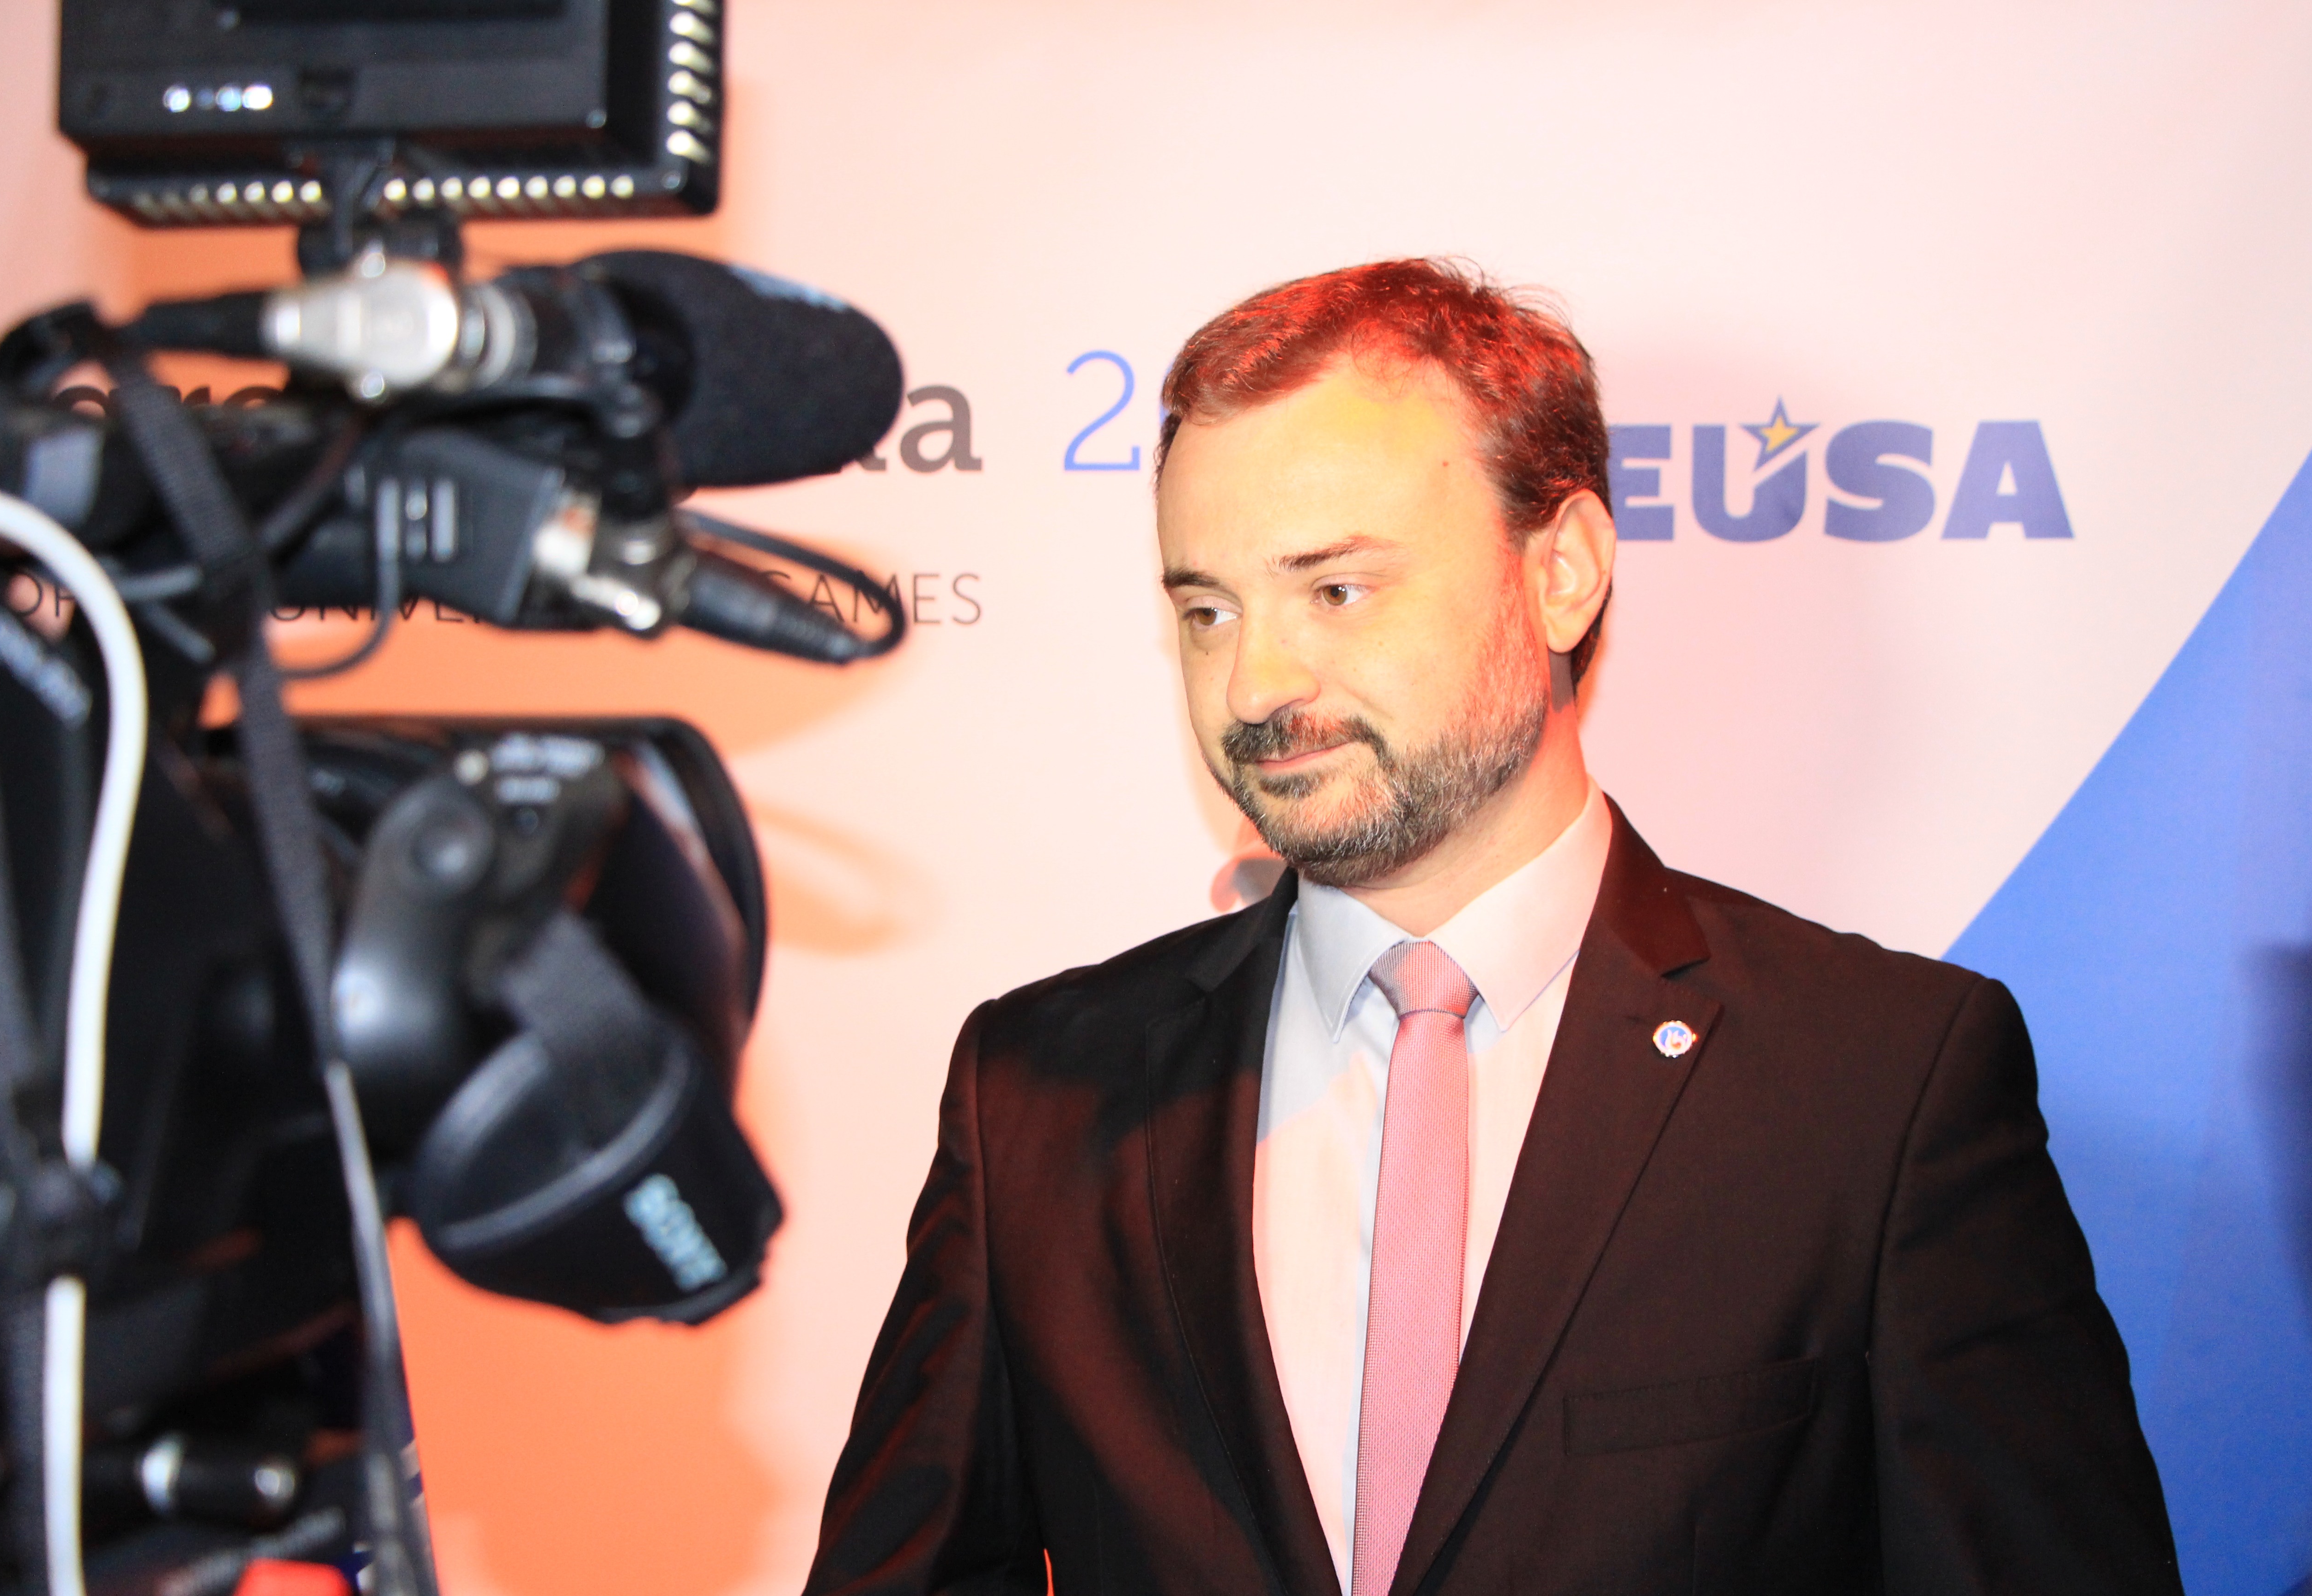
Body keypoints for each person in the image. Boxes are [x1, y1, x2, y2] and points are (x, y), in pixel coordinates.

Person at [803, 260, 2182, 1595]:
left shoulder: (1875, 1087)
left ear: (1563, 570)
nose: (1254, 684)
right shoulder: (1040, 1095)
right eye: (1209, 611)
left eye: (1336, 590)